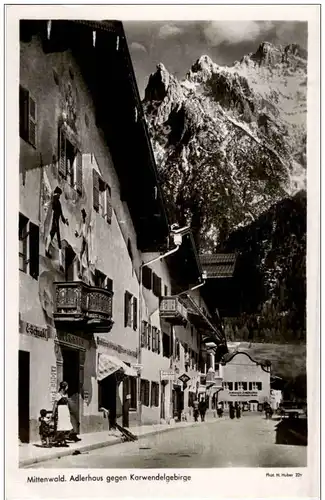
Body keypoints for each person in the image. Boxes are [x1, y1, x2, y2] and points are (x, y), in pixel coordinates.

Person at [45, 186, 69, 269]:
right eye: (59, 194)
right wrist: (63, 220)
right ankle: (61, 264)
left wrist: (65, 221)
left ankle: (47, 249)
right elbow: (58, 213)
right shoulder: (55, 201)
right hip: (55, 222)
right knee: (58, 240)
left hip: (55, 222)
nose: (59, 196)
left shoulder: (56, 201)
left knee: (52, 236)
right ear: (58, 193)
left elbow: (61, 215)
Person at [52, 381, 73, 447]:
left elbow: (67, 404)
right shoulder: (58, 395)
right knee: (60, 426)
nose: (67, 388)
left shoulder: (65, 395)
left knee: (65, 426)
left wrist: (68, 412)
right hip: (60, 411)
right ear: (64, 387)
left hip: (65, 411)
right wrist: (53, 413)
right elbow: (55, 405)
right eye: (67, 386)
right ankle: (59, 441)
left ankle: (62, 440)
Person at [75, 208, 89, 279]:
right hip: (84, 241)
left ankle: (81, 271)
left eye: (83, 216)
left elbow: (84, 234)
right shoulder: (84, 225)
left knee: (82, 256)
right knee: (81, 255)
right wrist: (77, 234)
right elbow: (81, 234)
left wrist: (78, 235)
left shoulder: (85, 225)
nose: (82, 218)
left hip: (85, 241)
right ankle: (80, 271)